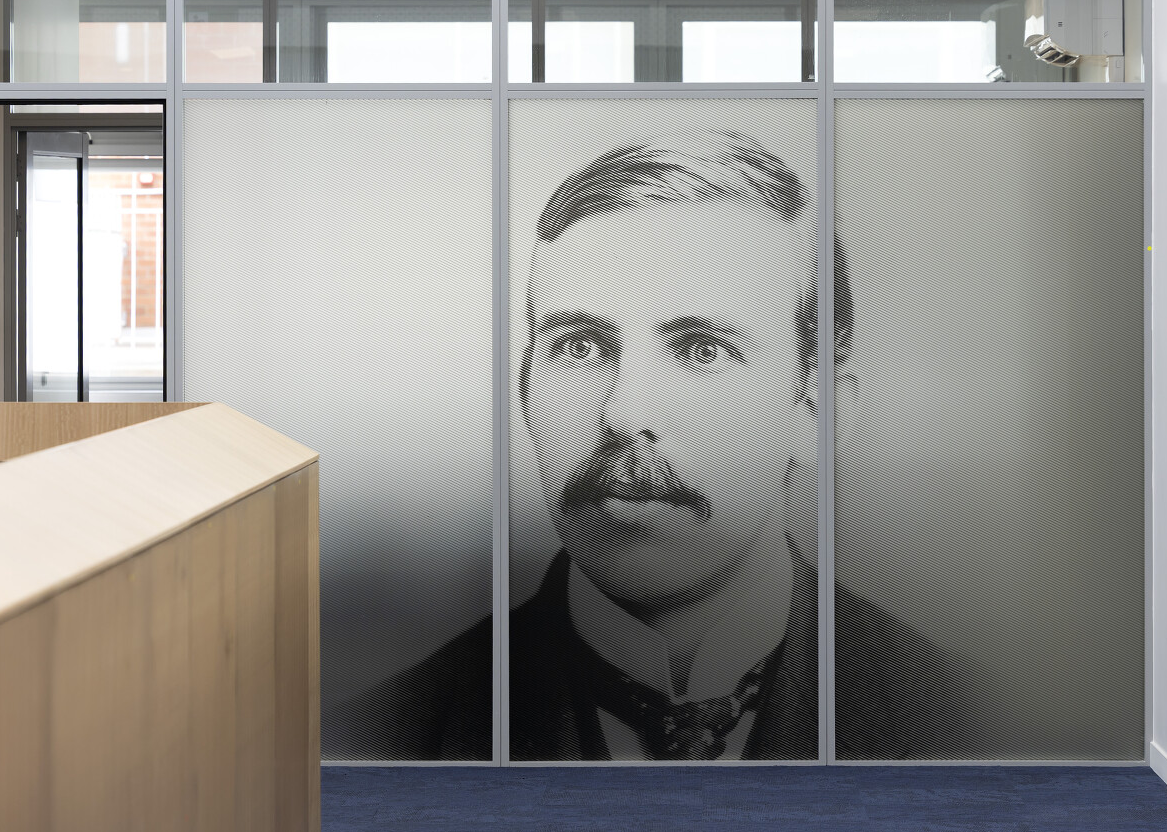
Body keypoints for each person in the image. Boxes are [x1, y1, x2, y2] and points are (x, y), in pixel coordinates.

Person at [328, 131, 956, 761]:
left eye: (701, 350)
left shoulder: (962, 724)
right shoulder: (374, 746)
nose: (625, 414)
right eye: (579, 347)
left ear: (817, 415)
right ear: (523, 389)